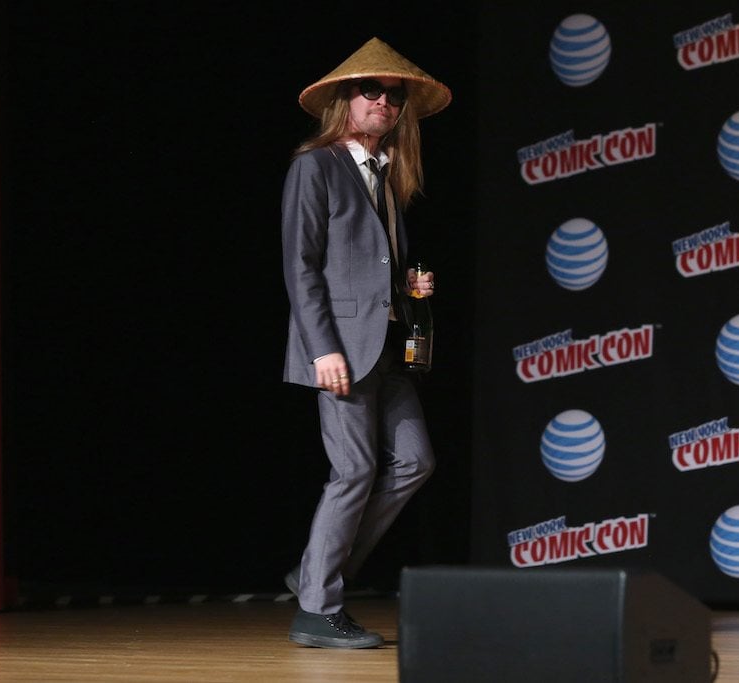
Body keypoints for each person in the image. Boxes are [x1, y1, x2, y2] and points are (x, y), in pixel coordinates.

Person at [280, 37, 451, 649]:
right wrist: (322, 348)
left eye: (394, 96)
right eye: (370, 90)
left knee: (415, 461)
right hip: (341, 348)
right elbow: (301, 266)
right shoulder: (316, 165)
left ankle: (314, 573)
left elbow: (365, 266)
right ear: (345, 101)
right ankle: (317, 609)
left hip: (387, 345)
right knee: (353, 468)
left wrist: (409, 287)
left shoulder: (386, 174)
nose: (384, 102)